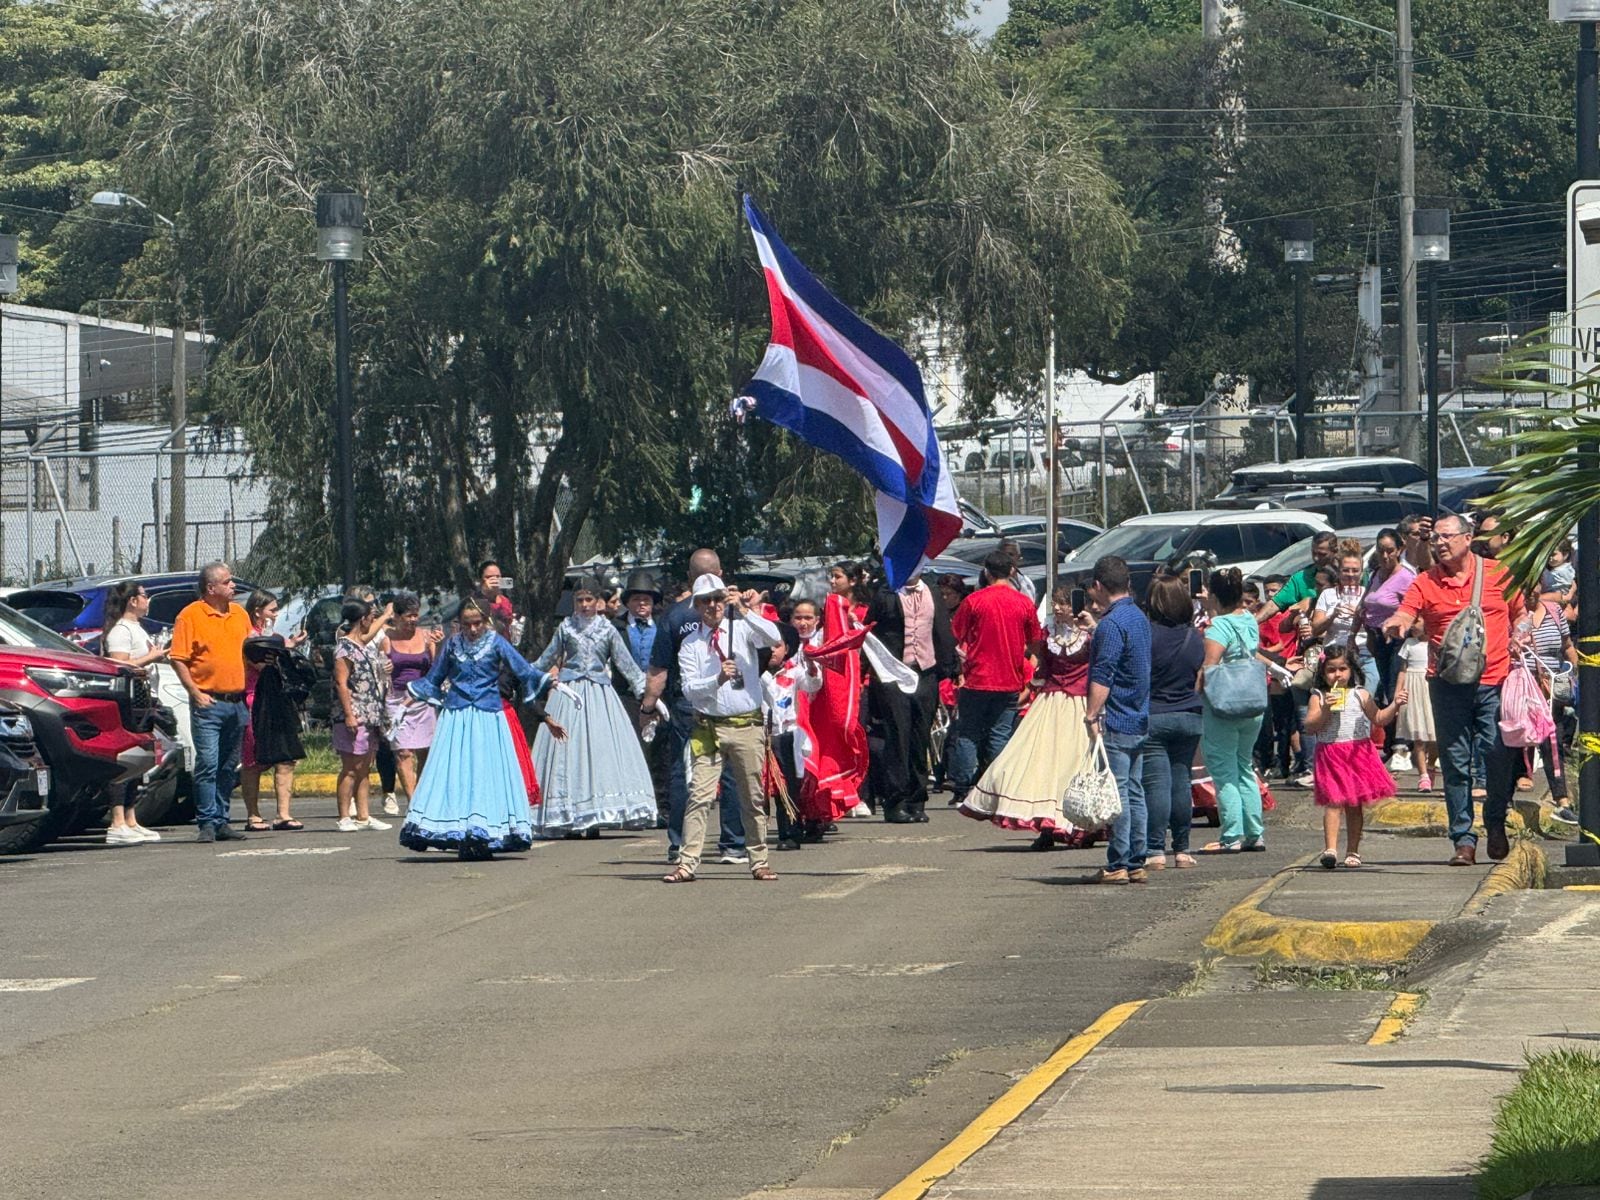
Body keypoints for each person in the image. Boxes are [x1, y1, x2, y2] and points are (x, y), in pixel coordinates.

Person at [1382, 513, 1525, 865]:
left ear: (1467, 536)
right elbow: (1406, 612)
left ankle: (1494, 820)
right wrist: (1396, 623)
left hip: (1494, 679)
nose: (1441, 543)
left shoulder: (1497, 573)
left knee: (1496, 753)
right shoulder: (1425, 581)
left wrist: (1520, 634)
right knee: (1456, 762)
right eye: (1436, 539)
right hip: (1445, 683)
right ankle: (1463, 839)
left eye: (1447, 537)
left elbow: (1520, 614)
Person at [400, 596, 566, 859]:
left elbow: (524, 670)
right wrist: (411, 696)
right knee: (456, 773)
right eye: (467, 624)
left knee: (486, 773)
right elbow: (435, 677)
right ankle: (457, 829)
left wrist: (549, 682)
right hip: (456, 716)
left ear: (486, 621)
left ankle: (487, 831)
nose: (473, 629)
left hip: (489, 716)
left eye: (477, 623)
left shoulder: (497, 643)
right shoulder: (453, 645)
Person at [664, 574, 781, 883]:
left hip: (746, 725)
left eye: (717, 598)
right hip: (708, 728)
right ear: (697, 606)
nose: (713, 606)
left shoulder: (742, 629)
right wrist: (716, 679)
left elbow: (773, 637)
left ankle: (759, 859)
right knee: (699, 796)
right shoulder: (691, 643)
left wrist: (743, 609)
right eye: (706, 601)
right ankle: (687, 861)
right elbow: (689, 689)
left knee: (752, 796)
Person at [639, 549, 747, 866]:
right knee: (729, 768)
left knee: (683, 770)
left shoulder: (674, 616)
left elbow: (658, 671)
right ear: (722, 572)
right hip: (729, 700)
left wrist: (647, 708)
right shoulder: (734, 611)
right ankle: (732, 843)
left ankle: (679, 842)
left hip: (687, 701)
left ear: (689, 578)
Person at [959, 586, 1093, 843]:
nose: (1057, 608)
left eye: (1063, 603)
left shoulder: (1089, 634)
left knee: (1075, 764)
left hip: (1080, 704)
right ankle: (1046, 825)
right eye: (1055, 603)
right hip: (1050, 703)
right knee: (1041, 764)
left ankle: (1081, 826)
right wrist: (1031, 687)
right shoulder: (1049, 634)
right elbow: (1043, 668)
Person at [530, 576, 656, 838]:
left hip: (599, 694)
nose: (585, 604)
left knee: (599, 753)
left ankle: (594, 816)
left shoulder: (607, 629)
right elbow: (546, 659)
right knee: (568, 753)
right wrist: (522, 674)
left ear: (598, 601)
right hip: (569, 694)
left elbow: (627, 665)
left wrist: (648, 693)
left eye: (589, 599)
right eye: (580, 600)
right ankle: (568, 815)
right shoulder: (566, 628)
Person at [948, 550, 1044, 810]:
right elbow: (1035, 639)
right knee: (999, 735)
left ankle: (963, 788)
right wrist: (1032, 664)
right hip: (1009, 679)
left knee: (968, 733)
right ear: (1012, 571)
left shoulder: (974, 601)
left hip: (977, 677)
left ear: (986, 572)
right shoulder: (1023, 603)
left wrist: (960, 665)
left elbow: (955, 634)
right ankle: (998, 787)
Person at [170, 561, 254, 842]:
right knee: (208, 762)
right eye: (228, 582)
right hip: (209, 703)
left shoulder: (239, 614)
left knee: (229, 765)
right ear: (211, 588)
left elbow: (250, 650)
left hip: (237, 702)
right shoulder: (190, 616)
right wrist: (195, 693)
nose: (233, 586)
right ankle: (206, 821)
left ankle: (222, 819)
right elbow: (178, 659)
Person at [864, 569, 955, 824]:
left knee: (920, 737)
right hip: (894, 673)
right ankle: (896, 801)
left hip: (925, 672)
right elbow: (870, 631)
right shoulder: (886, 593)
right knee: (898, 736)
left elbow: (941, 629)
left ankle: (917, 799)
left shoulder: (932, 591)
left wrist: (949, 667)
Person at [1304, 645, 1407, 869]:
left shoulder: (1360, 694)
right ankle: (1330, 849)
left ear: (1351, 670)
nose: (1337, 675)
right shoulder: (1318, 696)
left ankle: (1353, 850)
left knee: (1354, 804)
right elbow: (1310, 726)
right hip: (1331, 752)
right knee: (1333, 801)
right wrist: (1325, 710)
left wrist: (1395, 705)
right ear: (1323, 673)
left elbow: (1379, 718)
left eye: (1342, 669)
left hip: (1356, 753)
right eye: (1331, 670)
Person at [1084, 555, 1152, 884]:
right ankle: (1137, 859)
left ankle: (1119, 862)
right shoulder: (1138, 617)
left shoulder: (1111, 624)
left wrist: (1091, 713)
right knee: (1135, 790)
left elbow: (1103, 673)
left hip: (1118, 717)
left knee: (1120, 791)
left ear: (1098, 586)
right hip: (1139, 714)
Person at [1199, 567, 1268, 853]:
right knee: (1243, 765)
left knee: (1223, 768)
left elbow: (1211, 664)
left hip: (1224, 703)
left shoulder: (1218, 626)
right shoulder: (1250, 619)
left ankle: (1231, 834)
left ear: (1214, 595)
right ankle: (1254, 831)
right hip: (1251, 698)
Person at [1141, 574, 1205, 870]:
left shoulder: (1147, 634)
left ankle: (1155, 848)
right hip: (1189, 714)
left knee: (1157, 783)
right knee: (1181, 781)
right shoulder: (1195, 637)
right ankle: (1182, 849)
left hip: (1155, 714)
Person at [101, 581, 169, 845]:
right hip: (129, 702)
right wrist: (150, 658)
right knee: (127, 759)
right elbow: (118, 664)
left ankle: (131, 818)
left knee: (140, 761)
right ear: (132, 600)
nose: (147, 600)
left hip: (144, 701)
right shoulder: (120, 631)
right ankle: (117, 821)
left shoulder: (136, 628)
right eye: (144, 595)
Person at [239, 590, 309, 831]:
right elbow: (258, 662)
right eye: (272, 609)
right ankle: (253, 813)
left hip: (277, 700)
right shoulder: (248, 637)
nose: (276, 614)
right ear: (258, 611)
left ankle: (283, 813)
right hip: (255, 699)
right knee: (254, 759)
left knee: (286, 757)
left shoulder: (275, 637)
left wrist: (290, 645)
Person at [764, 601, 824, 851]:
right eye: (768, 646)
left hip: (789, 735)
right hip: (764, 736)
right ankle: (758, 833)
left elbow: (813, 685)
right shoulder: (756, 674)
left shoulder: (794, 671)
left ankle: (790, 832)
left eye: (778, 646)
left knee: (788, 786)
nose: (773, 651)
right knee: (767, 787)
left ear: (787, 648)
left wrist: (811, 667)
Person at [331, 599, 393, 833]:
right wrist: (349, 715)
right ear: (362, 619)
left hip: (370, 715)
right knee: (351, 767)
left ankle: (364, 815)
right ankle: (345, 815)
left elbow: (368, 635)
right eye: (370, 617)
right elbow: (341, 682)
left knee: (365, 767)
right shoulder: (344, 648)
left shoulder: (360, 644)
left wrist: (386, 616)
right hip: (354, 715)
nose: (371, 621)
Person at [614, 569, 671, 820]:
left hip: (660, 695)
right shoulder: (616, 628)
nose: (641, 604)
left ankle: (662, 806)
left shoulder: (662, 626)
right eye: (636, 600)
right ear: (628, 602)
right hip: (626, 696)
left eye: (646, 600)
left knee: (661, 750)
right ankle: (634, 808)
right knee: (632, 751)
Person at [1519, 586, 1578, 813]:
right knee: (1523, 735)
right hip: (1524, 683)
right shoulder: (1516, 613)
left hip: (1552, 686)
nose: (1530, 592)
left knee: (1553, 738)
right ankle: (1524, 775)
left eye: (1534, 585)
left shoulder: (1554, 611)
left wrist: (1572, 672)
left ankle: (1561, 796)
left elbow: (1567, 646)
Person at [1361, 529, 1416, 769]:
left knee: (1396, 688)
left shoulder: (1405, 577)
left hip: (1396, 639)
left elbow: (1415, 609)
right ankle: (1392, 742)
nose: (1385, 555)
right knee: (1384, 689)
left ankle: (1402, 745)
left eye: (1390, 550)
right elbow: (1366, 607)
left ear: (1399, 550)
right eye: (1381, 550)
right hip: (1375, 639)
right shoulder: (1375, 574)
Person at [383, 592, 441, 815]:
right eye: (408, 615)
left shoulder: (427, 637)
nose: (413, 620)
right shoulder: (386, 637)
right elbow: (379, 665)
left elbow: (436, 668)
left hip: (423, 699)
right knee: (403, 751)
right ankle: (414, 804)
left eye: (416, 615)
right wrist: (384, 669)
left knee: (426, 751)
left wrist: (438, 645)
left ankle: (424, 796)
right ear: (396, 617)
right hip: (397, 700)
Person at [1311, 546, 1380, 694]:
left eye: (1355, 570)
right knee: (1338, 702)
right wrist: (1333, 615)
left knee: (1366, 698)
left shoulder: (1369, 594)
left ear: (1362, 572)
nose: (1350, 575)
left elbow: (1377, 626)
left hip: (1364, 654)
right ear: (1339, 571)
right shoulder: (1327, 595)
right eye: (1346, 570)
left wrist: (1361, 616)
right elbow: (1316, 629)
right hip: (1336, 657)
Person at [1393, 621, 1437, 792]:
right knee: (1418, 734)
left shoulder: (1435, 643)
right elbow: (1402, 671)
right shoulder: (1409, 644)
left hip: (1430, 687)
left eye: (1416, 622)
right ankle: (1423, 776)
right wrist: (1398, 693)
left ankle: (1431, 764)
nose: (1412, 626)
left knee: (1435, 735)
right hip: (1413, 688)